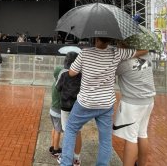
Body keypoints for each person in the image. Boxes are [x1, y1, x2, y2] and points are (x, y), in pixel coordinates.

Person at [59, 37, 148, 166]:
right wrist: (129, 47)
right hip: (106, 103)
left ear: (95, 38)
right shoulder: (117, 52)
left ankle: (66, 163)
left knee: (71, 129)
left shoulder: (85, 53)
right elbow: (142, 51)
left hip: (86, 102)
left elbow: (72, 73)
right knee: (105, 139)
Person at [113, 44, 156, 166]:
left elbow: (111, 70)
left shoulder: (125, 63)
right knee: (142, 134)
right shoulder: (147, 56)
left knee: (131, 138)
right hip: (148, 100)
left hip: (133, 103)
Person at [56, 52, 82, 166]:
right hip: (78, 107)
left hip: (65, 107)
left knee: (67, 132)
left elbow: (58, 88)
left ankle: (66, 158)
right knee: (78, 132)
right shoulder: (82, 74)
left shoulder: (64, 74)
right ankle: (76, 158)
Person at [49, 63, 63, 158]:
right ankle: (56, 150)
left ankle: (52, 145)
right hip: (58, 111)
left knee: (54, 128)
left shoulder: (54, 83)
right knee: (58, 131)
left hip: (52, 110)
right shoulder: (60, 86)